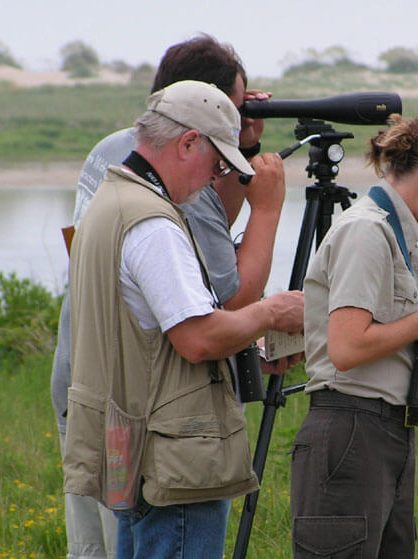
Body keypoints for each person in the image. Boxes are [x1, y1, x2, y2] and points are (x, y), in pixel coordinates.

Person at [50, 34, 287, 558]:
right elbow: (203, 331)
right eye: (216, 163)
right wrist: (272, 307)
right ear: (186, 144)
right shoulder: (155, 221)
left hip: (114, 419)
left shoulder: (115, 181)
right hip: (173, 447)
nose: (218, 177)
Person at [290, 112, 418, 557]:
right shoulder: (367, 231)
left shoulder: (401, 239)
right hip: (351, 430)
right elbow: (346, 346)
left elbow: (392, 341)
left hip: (386, 431)